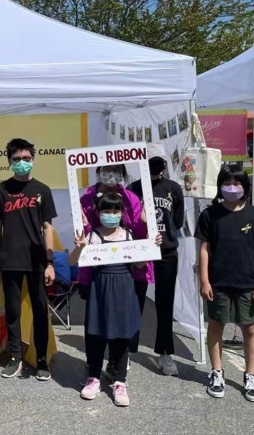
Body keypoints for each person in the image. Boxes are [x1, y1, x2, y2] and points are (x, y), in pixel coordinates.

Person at [69, 192, 162, 406]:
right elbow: (74, 260)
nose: (111, 215)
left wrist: (151, 247)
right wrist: (80, 247)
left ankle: (120, 381)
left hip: (124, 289)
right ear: (98, 213)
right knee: (95, 334)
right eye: (106, 211)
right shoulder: (91, 236)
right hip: (100, 288)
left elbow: (139, 265)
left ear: (122, 213)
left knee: (121, 335)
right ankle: (94, 377)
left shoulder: (129, 235)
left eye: (115, 211)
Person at [195, 165, 254, 403]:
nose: (232, 187)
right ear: (219, 186)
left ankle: (250, 376)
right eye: (227, 183)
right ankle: (217, 372)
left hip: (248, 283)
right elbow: (204, 249)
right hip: (218, 283)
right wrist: (204, 279)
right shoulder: (210, 214)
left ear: (245, 187)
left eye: (237, 183)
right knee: (216, 325)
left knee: (250, 328)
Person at [0, 138, 57, 381]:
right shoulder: (0, 190)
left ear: (33, 160)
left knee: (40, 311)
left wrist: (50, 263)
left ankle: (41, 361)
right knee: (13, 311)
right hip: (9, 260)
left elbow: (48, 227)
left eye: (26, 159)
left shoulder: (43, 190)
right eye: (16, 159)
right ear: (9, 162)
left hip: (37, 260)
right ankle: (15, 357)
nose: (21, 163)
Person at [80, 164, 151, 376]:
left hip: (127, 272)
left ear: (122, 173)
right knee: (96, 321)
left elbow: (139, 233)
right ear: (98, 172)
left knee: (123, 320)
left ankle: (117, 366)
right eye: (106, 170)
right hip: (96, 273)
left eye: (116, 171)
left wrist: (148, 227)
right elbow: (82, 237)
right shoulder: (85, 199)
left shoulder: (131, 198)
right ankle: (94, 368)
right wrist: (82, 228)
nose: (111, 175)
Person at [126, 156, 185, 375]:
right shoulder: (134, 187)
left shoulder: (174, 188)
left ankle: (165, 351)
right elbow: (128, 219)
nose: (155, 167)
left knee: (165, 302)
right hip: (140, 251)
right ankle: (129, 350)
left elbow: (177, 222)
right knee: (135, 300)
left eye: (159, 163)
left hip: (167, 251)